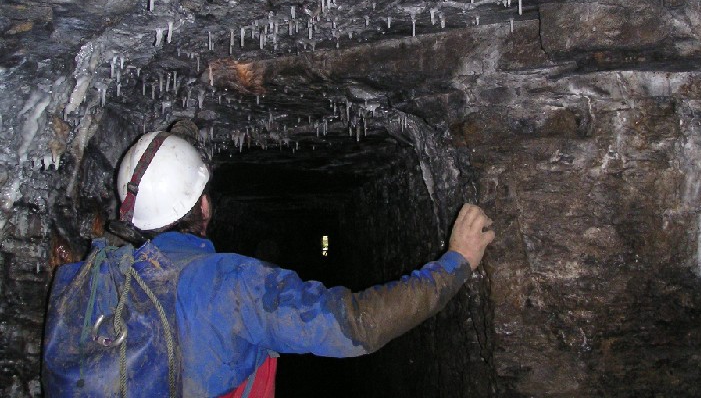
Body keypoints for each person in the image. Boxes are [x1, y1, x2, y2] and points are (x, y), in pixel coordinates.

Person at [43, 126, 495, 397]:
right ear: (205, 207)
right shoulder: (231, 284)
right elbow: (359, 325)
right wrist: (455, 263)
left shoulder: (97, 277)